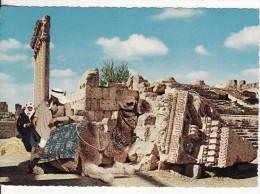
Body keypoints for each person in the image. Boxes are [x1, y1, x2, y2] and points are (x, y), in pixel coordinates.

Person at [32, 88, 73, 158]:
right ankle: (40, 148)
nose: (53, 97)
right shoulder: (50, 102)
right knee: (43, 106)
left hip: (62, 124)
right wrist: (36, 116)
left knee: (47, 131)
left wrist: (57, 119)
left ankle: (40, 150)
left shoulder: (66, 104)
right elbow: (42, 106)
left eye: (55, 96)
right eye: (52, 96)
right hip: (51, 122)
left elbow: (69, 117)